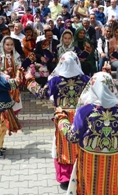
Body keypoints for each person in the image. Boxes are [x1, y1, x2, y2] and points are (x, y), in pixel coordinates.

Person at [53, 72, 118, 195]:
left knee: (90, 189)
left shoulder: (85, 111)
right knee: (111, 187)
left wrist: (61, 118)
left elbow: (72, 136)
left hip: (89, 163)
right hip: (112, 163)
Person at [25, 51, 90, 188]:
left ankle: (65, 178)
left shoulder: (56, 80)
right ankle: (80, 174)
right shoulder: (85, 79)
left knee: (62, 146)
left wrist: (30, 80)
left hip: (63, 116)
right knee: (80, 143)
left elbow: (41, 93)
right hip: (81, 116)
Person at [0, 36, 23, 114]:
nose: (9, 46)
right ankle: (4, 117)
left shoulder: (16, 55)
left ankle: (13, 117)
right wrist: (4, 72)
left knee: (15, 99)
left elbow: (19, 66)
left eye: (11, 45)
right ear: (3, 45)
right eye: (7, 45)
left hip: (14, 80)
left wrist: (18, 73)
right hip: (3, 81)